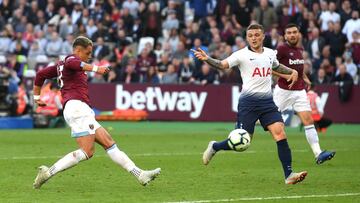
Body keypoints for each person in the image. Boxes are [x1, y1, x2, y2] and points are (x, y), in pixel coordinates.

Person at [32, 36, 161, 189]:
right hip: (77, 107)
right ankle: (48, 172)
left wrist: (37, 97)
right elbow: (72, 62)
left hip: (79, 109)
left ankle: (139, 174)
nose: (90, 56)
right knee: (87, 152)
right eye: (87, 53)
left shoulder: (61, 66)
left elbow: (40, 74)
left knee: (109, 143)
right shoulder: (70, 60)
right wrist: (96, 69)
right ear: (78, 50)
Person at [191, 23, 307, 185]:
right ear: (247, 37)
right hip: (248, 103)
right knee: (244, 143)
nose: (254, 38)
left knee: (280, 132)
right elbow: (222, 65)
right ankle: (215, 146)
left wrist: (291, 71)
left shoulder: (269, 53)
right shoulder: (241, 55)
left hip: (267, 102)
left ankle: (288, 175)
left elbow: (275, 65)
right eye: (250, 35)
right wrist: (207, 59)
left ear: (263, 37)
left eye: (257, 35)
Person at [272, 24, 335, 165]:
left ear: (299, 34)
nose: (292, 35)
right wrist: (285, 75)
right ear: (285, 36)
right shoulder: (281, 49)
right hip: (283, 91)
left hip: (300, 91)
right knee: (268, 120)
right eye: (289, 33)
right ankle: (244, 124)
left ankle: (318, 154)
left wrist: (304, 77)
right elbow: (269, 67)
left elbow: (297, 69)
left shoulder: (299, 49)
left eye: (295, 32)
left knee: (308, 120)